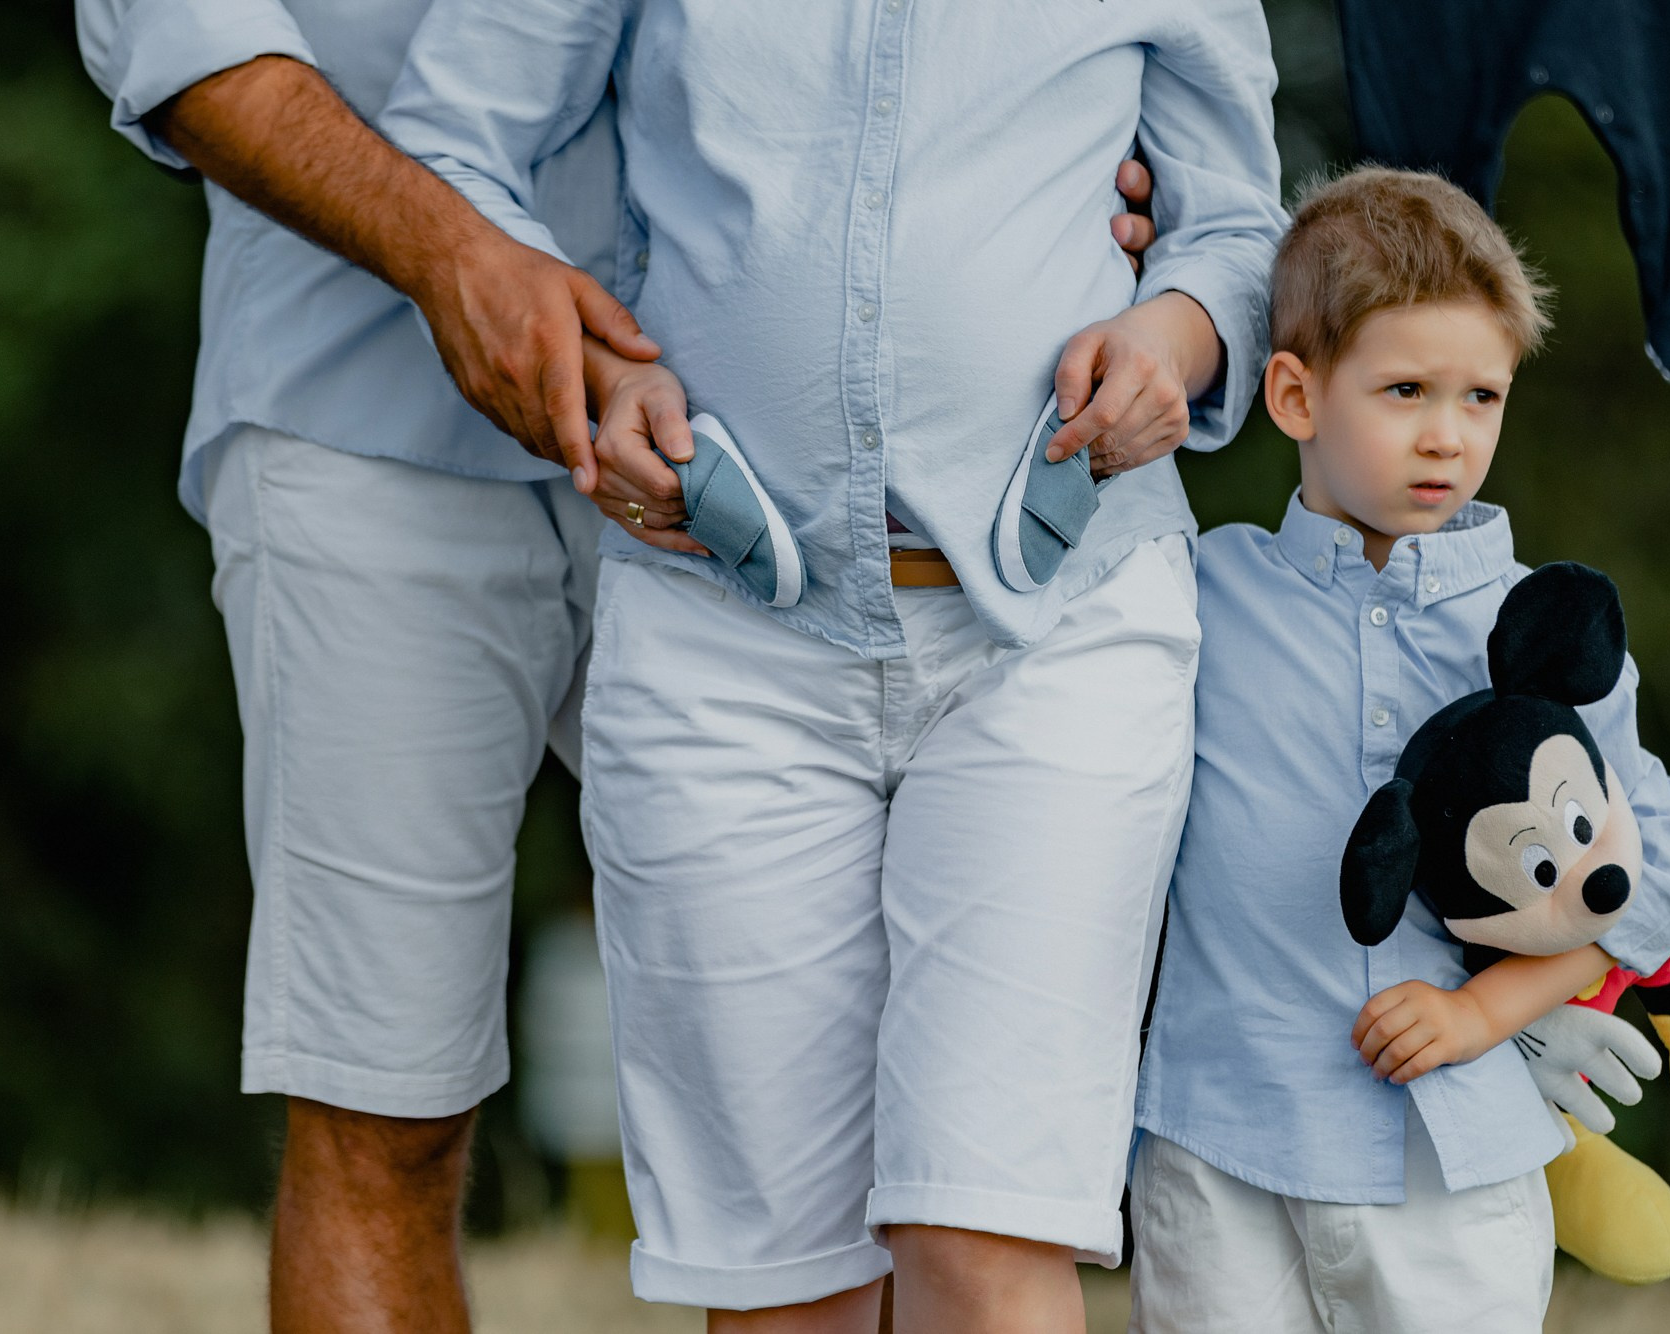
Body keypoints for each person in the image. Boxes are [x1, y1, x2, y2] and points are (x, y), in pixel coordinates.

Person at [71, 4, 1161, 1330]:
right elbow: (181, 38)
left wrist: (1022, 170)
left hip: (751, 459)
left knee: (915, 1136)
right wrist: (446, 253)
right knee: (384, 1099)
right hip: (360, 407)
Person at [381, 2, 1287, 1330]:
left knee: (986, 1231)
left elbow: (1238, 230)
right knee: (778, 1282)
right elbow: (450, 154)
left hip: (1059, 631)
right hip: (715, 632)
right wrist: (583, 376)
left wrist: (1178, 337)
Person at [1127, 167, 1670, 1333]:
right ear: (1293, 395)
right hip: (1218, 1141)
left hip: (1450, 1152)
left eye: (1481, 397)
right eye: (1403, 390)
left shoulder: (1546, 632)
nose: (1447, 436)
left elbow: (1645, 875)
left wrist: (1478, 1016)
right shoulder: (1197, 588)